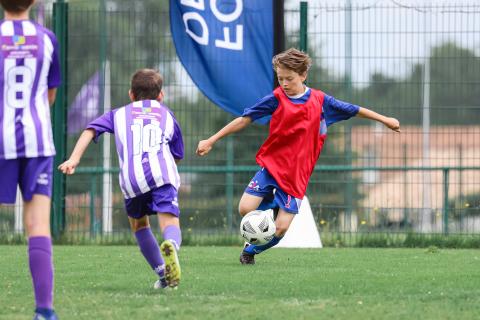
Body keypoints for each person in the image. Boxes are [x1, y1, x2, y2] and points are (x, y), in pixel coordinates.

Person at [196, 48, 400, 265]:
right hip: (272, 166)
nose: (284, 84)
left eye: (289, 79)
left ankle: (250, 251)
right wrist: (211, 139)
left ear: (303, 76)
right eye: (280, 78)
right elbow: (245, 119)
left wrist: (384, 119)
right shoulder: (276, 98)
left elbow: (354, 109)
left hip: (296, 175)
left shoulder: (321, 101)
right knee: (245, 208)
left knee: (281, 229)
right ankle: (270, 212)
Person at [58, 69, 184, 289]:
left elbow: (90, 130)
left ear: (131, 95)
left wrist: (74, 159)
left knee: (139, 225)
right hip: (162, 174)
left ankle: (164, 274)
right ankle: (171, 245)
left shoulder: (118, 114)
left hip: (132, 179)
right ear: (160, 95)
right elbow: (177, 156)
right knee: (169, 221)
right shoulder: (168, 115)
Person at [0, 0, 61, 318]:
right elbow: (50, 95)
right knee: (38, 225)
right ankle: (45, 311)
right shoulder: (47, 38)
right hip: (38, 143)